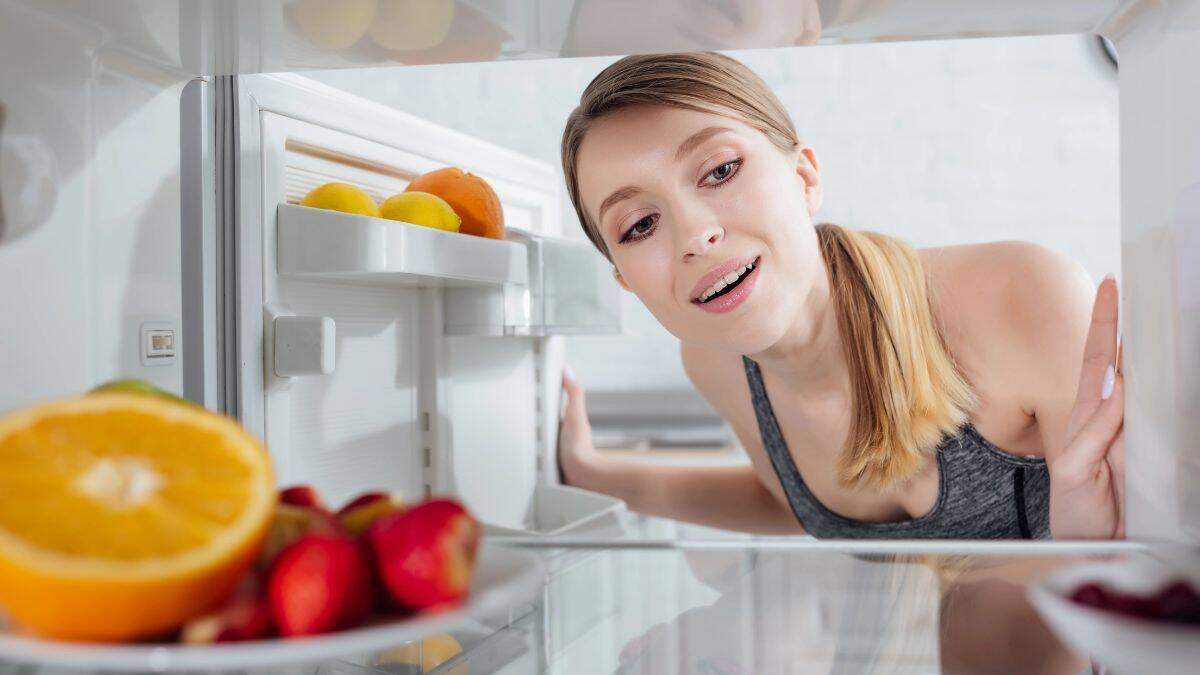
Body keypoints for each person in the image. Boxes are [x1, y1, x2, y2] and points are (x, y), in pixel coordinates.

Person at [555, 52, 1125, 540]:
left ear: (804, 178)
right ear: (626, 280)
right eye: (639, 226)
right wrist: (591, 473)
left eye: (720, 170)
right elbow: (788, 502)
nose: (695, 235)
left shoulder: (1023, 294)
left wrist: (1091, 545)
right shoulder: (713, 363)